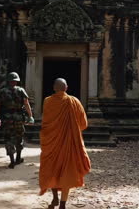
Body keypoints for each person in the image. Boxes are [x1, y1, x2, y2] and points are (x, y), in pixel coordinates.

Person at [39, 78, 91, 209]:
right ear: (66, 88)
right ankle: (62, 204)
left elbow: (45, 122)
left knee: (52, 169)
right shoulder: (74, 102)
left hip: (51, 143)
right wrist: (71, 128)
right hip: (69, 143)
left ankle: (55, 198)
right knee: (67, 172)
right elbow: (84, 124)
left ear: (54, 88)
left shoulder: (47, 101)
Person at [0, 72, 34, 168]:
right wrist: (30, 115)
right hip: (19, 117)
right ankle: (18, 158)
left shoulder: (2, 91)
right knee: (19, 137)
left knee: (8, 138)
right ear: (17, 81)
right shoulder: (21, 90)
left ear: (8, 81)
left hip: (7, 118)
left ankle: (12, 160)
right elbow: (26, 103)